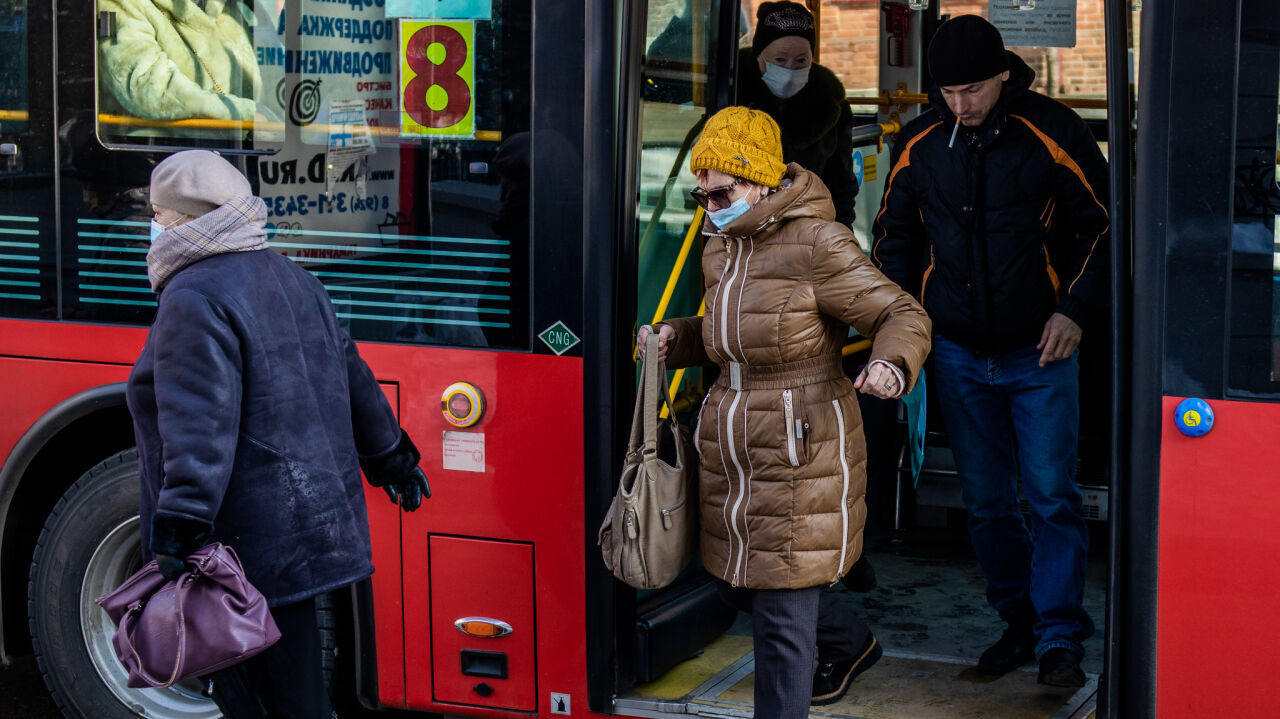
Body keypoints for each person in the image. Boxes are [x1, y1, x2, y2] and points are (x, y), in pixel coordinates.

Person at [637, 107, 931, 716]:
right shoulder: (721, 246)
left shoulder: (818, 242)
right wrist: (678, 339)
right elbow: (730, 332)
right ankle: (851, 641)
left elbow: (900, 313)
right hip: (733, 440)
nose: (710, 202)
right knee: (735, 584)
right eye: (702, 191)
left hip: (799, 442)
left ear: (764, 182)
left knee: (779, 620)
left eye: (724, 190)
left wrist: (891, 364)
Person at [126, 150, 431, 717]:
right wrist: (389, 455)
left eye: (160, 215)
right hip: (305, 529)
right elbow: (352, 374)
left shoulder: (192, 297)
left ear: (193, 220)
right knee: (296, 689)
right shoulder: (294, 276)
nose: (154, 227)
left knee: (252, 696)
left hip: (240, 544)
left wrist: (179, 532)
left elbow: (200, 426)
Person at [870, 15, 1109, 688]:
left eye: (973, 88)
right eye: (948, 92)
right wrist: (904, 328)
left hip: (1042, 351)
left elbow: (1104, 227)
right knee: (987, 503)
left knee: (1052, 496)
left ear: (1004, 74)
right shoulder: (918, 143)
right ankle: (1020, 620)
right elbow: (894, 241)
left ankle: (1061, 636)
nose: (960, 104)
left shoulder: (1054, 131)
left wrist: (1075, 312)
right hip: (956, 351)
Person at [737, 1, 858, 227]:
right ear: (758, 56)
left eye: (801, 60)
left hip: (807, 235)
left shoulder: (831, 106)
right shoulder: (730, 95)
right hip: (741, 232)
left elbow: (841, 188)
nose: (790, 69)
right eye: (780, 60)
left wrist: (841, 238)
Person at [97, 0, 261, 121]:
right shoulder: (127, 3)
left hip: (243, 151)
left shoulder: (227, 10)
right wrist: (244, 113)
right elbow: (148, 87)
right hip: (164, 154)